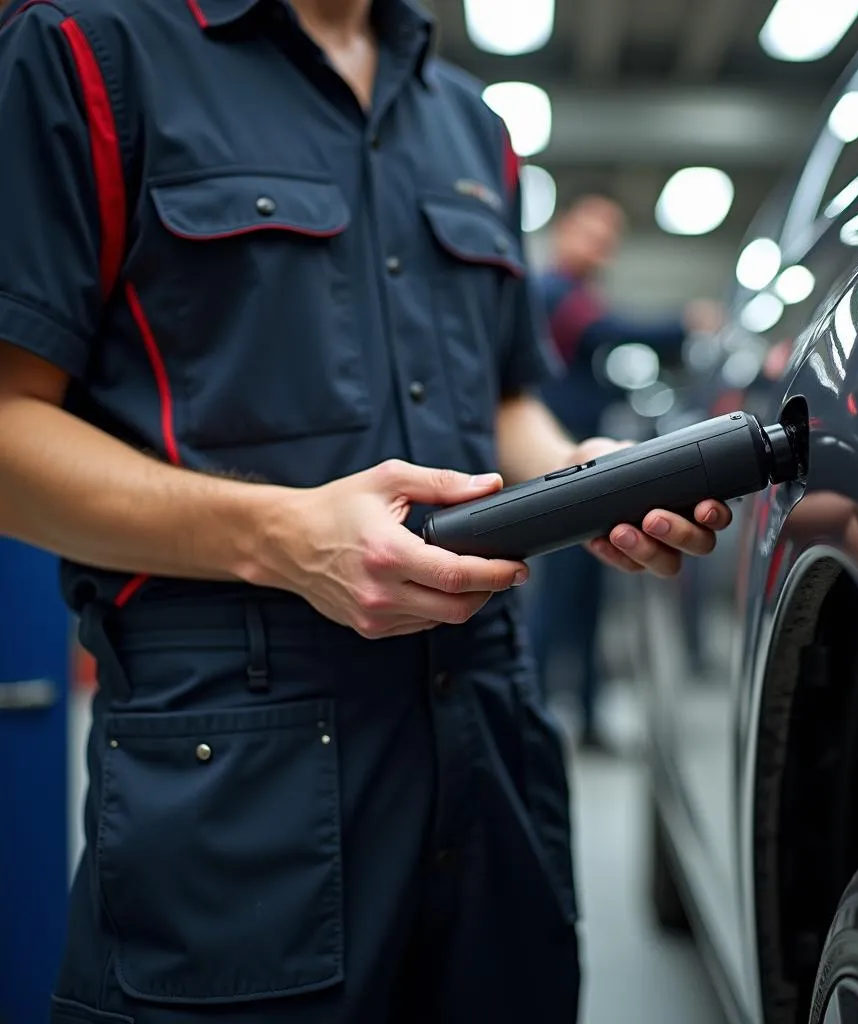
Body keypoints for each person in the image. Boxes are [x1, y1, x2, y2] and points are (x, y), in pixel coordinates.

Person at [0, 2, 732, 1021]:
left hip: (487, 730)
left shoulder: (469, 120)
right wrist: (284, 539)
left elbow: (505, 396)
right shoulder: (90, 51)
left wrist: (579, 477)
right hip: (238, 760)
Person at [529, 195, 723, 750]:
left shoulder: (579, 296)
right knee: (560, 598)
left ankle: (585, 716)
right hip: (556, 469)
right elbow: (609, 334)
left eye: (609, 238)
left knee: (585, 596)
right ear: (565, 230)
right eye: (592, 232)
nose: (601, 246)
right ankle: (539, 717)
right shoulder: (555, 294)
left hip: (585, 465)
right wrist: (685, 323)